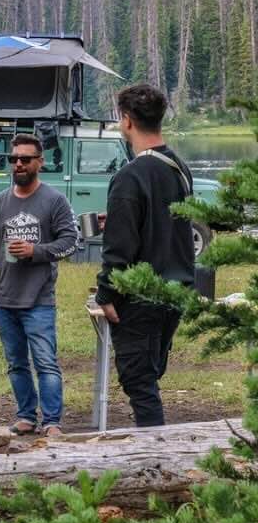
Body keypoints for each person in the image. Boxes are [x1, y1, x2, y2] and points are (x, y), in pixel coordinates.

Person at [96, 84, 195, 427]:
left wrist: (106, 293)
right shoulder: (179, 168)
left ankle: (156, 459)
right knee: (150, 375)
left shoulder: (130, 176)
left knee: (139, 382)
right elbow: (168, 224)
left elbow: (118, 248)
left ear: (126, 121)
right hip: (176, 289)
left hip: (140, 297)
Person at [0, 133, 79, 436]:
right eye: (14, 159)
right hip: (5, 300)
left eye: (25, 159)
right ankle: (25, 416)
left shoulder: (54, 200)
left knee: (46, 363)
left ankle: (51, 421)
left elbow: (71, 242)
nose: (18, 164)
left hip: (39, 300)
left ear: (40, 162)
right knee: (16, 364)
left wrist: (36, 251)